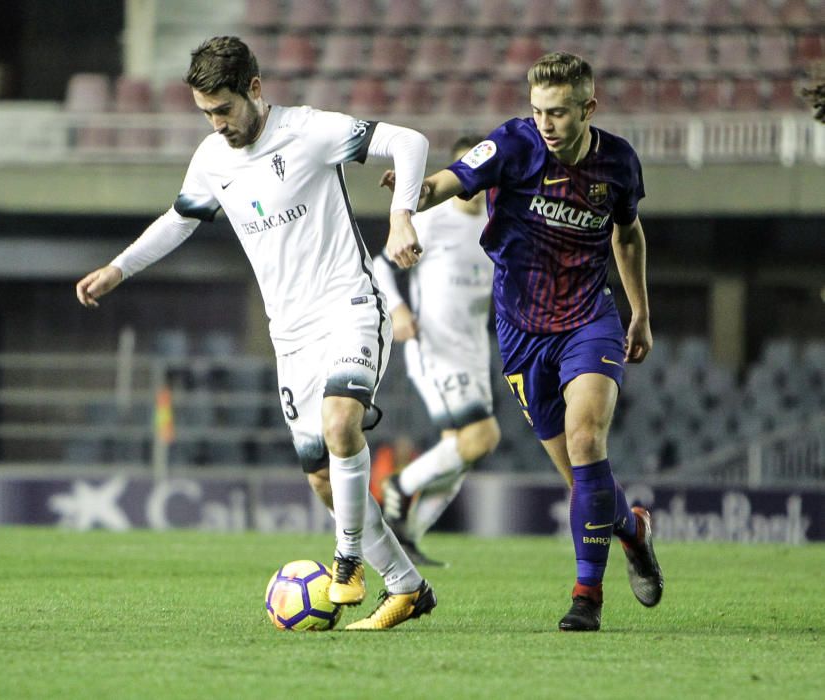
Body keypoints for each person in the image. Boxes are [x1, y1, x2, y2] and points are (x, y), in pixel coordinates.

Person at [75, 36, 435, 630]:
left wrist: (401, 215)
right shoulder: (214, 159)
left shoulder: (310, 131)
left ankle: (346, 561)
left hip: (348, 304)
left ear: (256, 89)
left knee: (341, 420)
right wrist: (120, 268)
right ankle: (406, 586)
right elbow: (180, 219)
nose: (217, 124)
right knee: (323, 476)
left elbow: (409, 140)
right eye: (206, 113)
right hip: (289, 336)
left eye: (224, 109)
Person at [385, 52, 663, 631]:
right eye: (538, 111)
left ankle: (586, 597)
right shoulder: (513, 144)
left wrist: (639, 311)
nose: (547, 123)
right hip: (521, 332)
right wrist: (407, 206)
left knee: (588, 442)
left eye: (559, 112)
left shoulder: (618, 163)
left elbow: (628, 234)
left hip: (590, 319)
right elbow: (452, 178)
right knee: (585, 484)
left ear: (589, 107)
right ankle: (633, 530)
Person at [372, 135, 501, 568]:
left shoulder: (496, 222)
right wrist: (398, 309)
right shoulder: (434, 219)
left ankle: (408, 536)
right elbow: (380, 264)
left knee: (461, 451)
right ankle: (401, 486)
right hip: (435, 347)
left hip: (474, 348)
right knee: (482, 437)